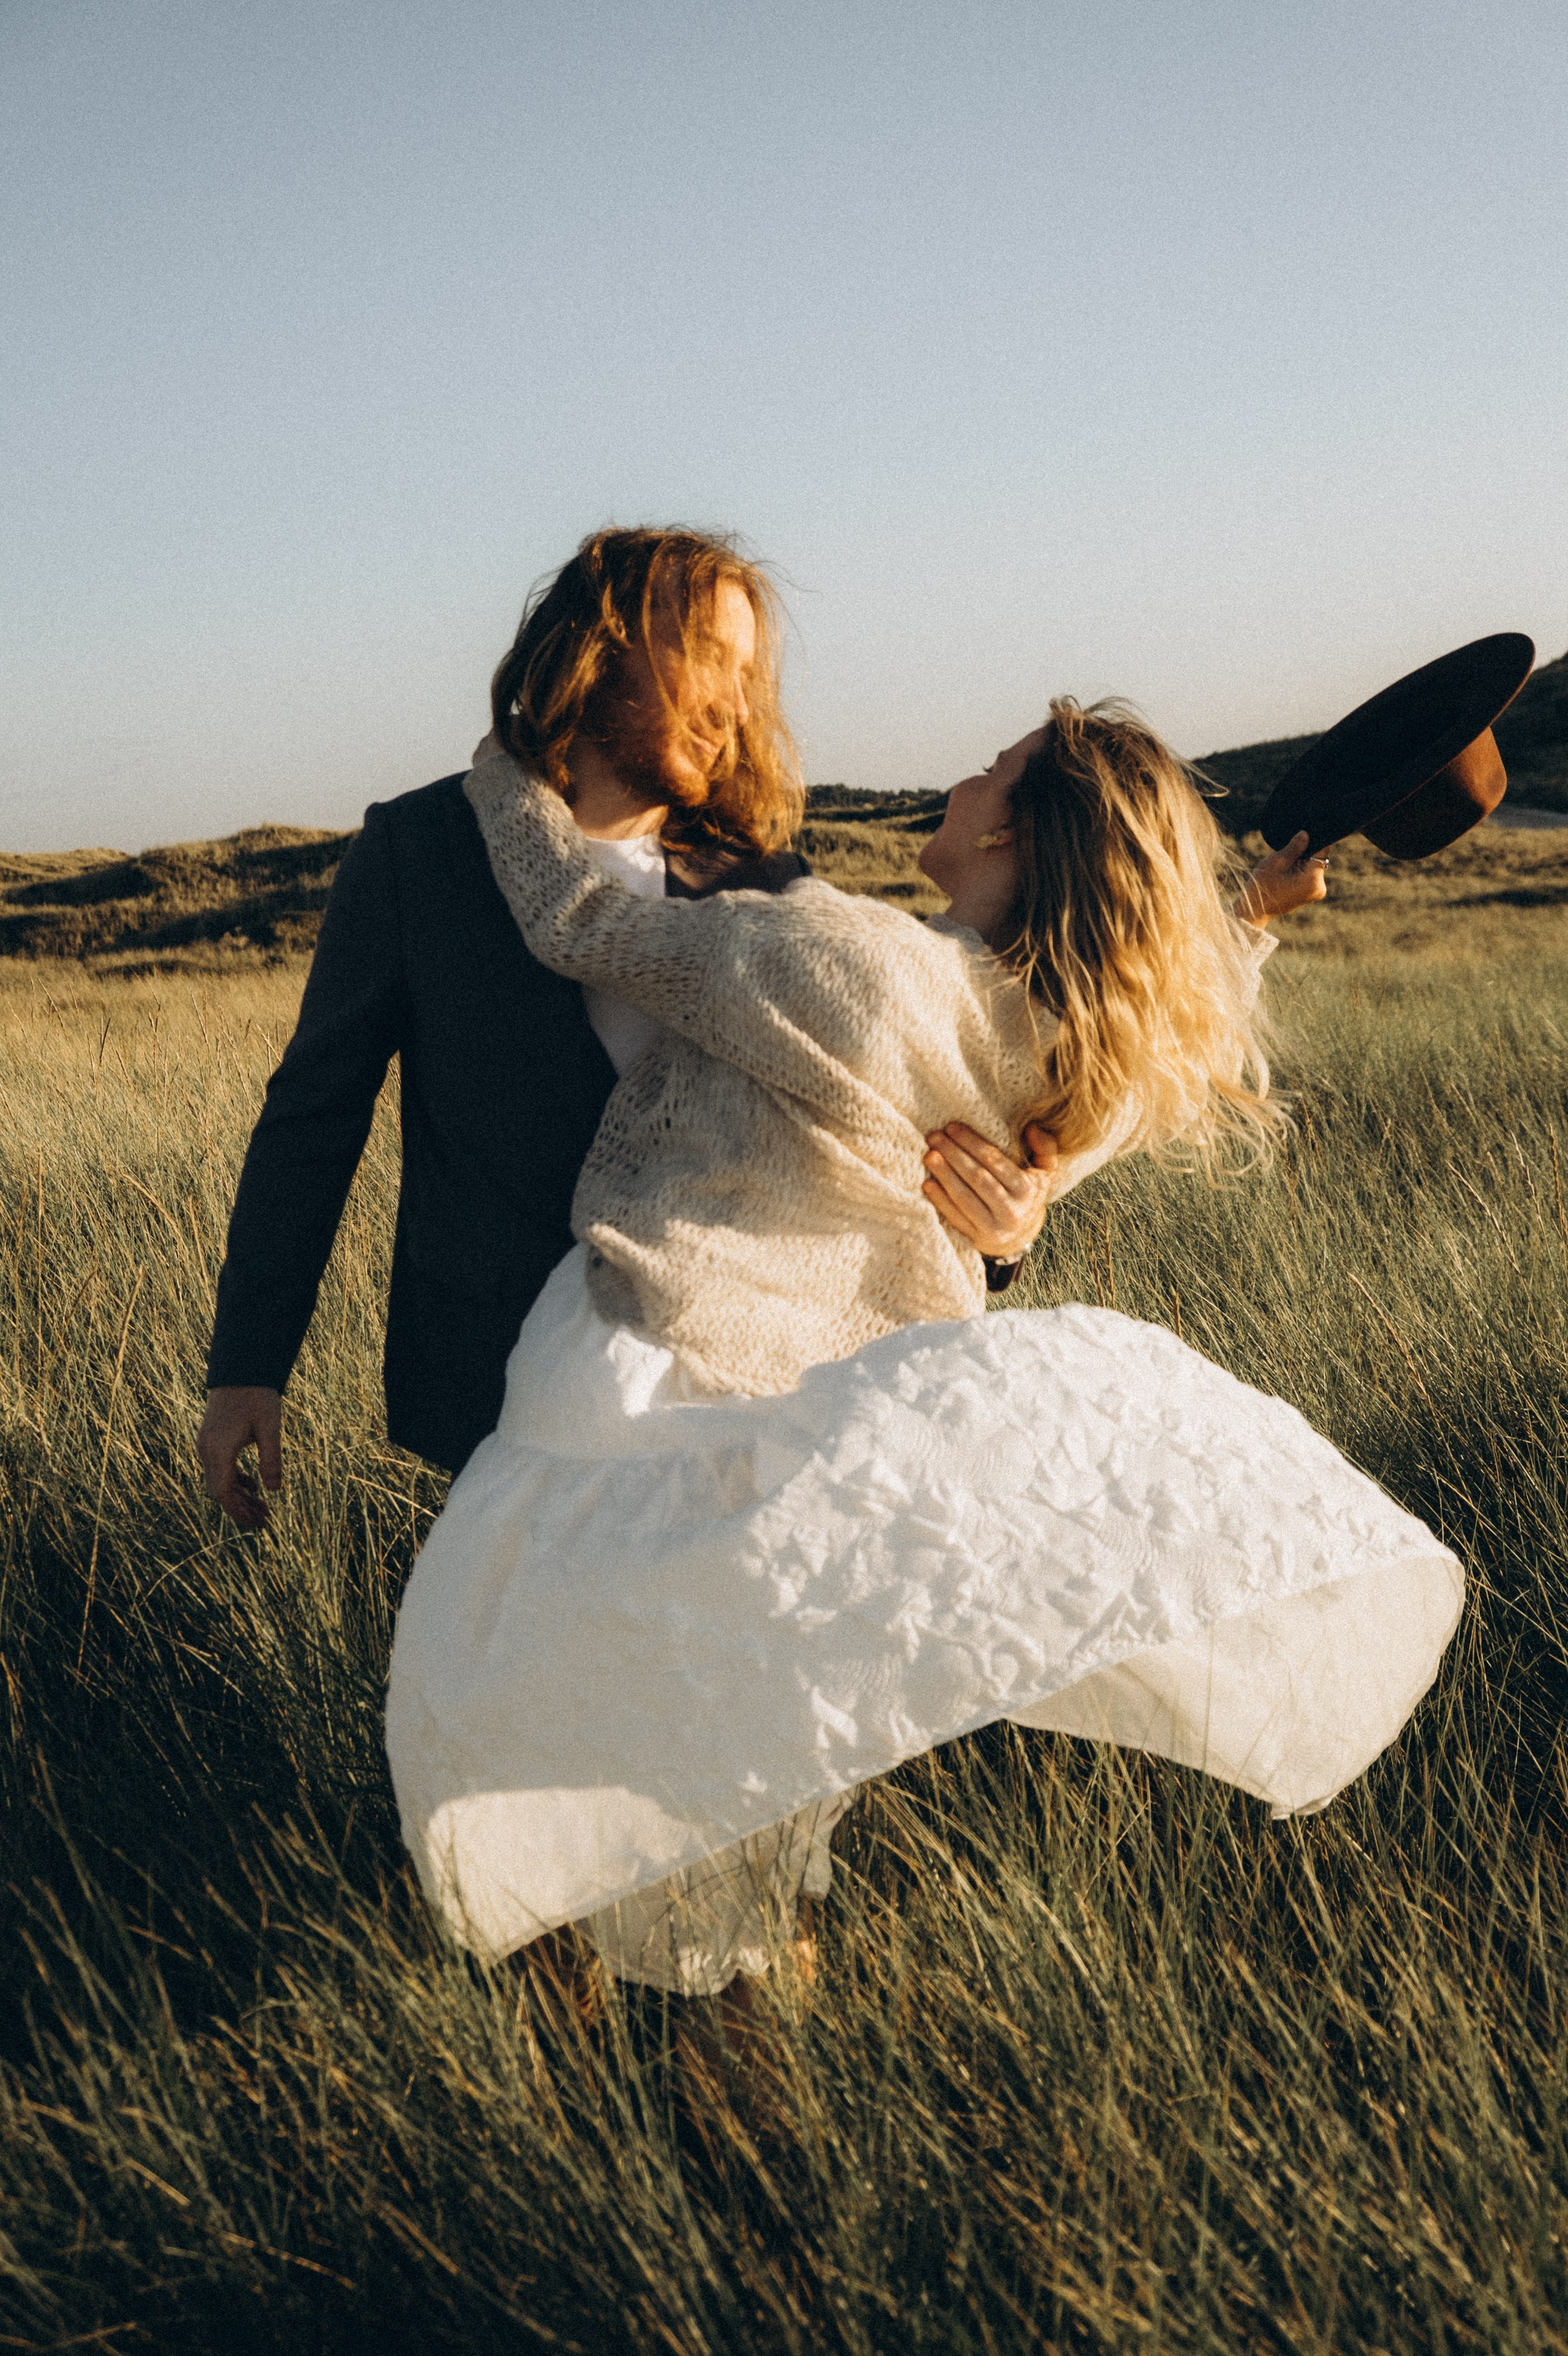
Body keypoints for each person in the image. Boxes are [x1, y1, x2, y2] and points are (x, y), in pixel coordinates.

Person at [384, 697, 1462, 1999]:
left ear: (1011, 829)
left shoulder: (844, 961)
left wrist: (508, 765)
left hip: (654, 1373)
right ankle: (745, 2139)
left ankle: (571, 2108)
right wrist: (1245, 926)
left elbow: (582, 923)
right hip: (840, 1456)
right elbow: (1140, 1068)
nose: (962, 776)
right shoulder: (1066, 1039)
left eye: (991, 768)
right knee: (746, 1820)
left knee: (532, 1741)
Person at [197, 528, 1053, 1520]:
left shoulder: (767, 885)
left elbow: (902, 1112)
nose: (737, 704)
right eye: (710, 659)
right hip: (498, 1393)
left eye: (750, 673)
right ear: (599, 648)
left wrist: (1006, 1231)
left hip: (732, 1401)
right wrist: (247, 1366)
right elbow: (315, 1114)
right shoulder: (418, 850)